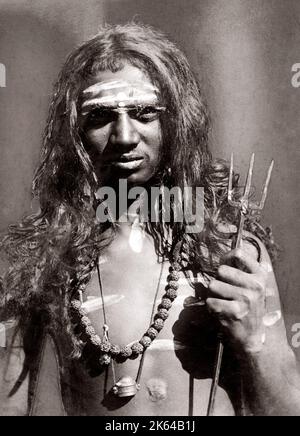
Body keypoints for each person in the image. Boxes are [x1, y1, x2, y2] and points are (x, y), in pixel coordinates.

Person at [0, 22, 299, 416]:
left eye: (144, 113)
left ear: (176, 122)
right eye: (101, 116)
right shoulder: (43, 257)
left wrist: (256, 341)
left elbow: (286, 410)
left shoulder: (229, 249)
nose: (124, 136)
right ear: (73, 132)